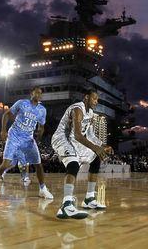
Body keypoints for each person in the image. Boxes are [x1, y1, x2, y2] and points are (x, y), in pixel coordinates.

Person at [0, 87, 53, 199]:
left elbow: (41, 126)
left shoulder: (42, 110)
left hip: (28, 139)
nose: (39, 94)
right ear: (31, 93)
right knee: (6, 164)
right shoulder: (22, 103)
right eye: (36, 92)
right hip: (14, 136)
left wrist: (39, 136)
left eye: (40, 93)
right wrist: (3, 130)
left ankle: (42, 189)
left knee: (38, 164)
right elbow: (6, 114)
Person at [52, 89, 112, 219]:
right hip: (62, 139)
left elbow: (88, 134)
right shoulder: (77, 109)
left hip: (75, 141)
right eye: (94, 99)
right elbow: (78, 135)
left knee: (96, 160)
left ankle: (89, 199)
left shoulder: (90, 113)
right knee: (73, 165)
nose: (96, 102)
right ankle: (66, 206)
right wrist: (96, 148)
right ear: (86, 97)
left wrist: (101, 145)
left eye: (97, 100)